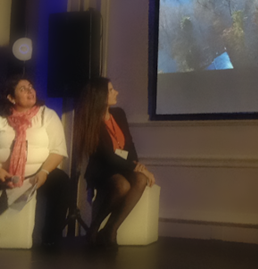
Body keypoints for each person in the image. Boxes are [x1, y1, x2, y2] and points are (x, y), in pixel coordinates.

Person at [74, 77, 155, 249]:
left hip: (123, 165)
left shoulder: (119, 114)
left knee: (140, 179)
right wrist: (136, 167)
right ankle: (95, 227)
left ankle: (110, 229)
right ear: (100, 96)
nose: (116, 92)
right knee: (122, 186)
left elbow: (129, 145)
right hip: (103, 169)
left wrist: (138, 165)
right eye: (111, 90)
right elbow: (108, 157)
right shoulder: (92, 122)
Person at [0, 76, 70, 250]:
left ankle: (49, 239)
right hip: (4, 174)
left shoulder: (47, 115)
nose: (30, 91)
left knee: (61, 181)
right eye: (23, 89)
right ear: (11, 97)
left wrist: (44, 172)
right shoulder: (2, 117)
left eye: (30, 87)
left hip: (38, 173)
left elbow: (58, 150)